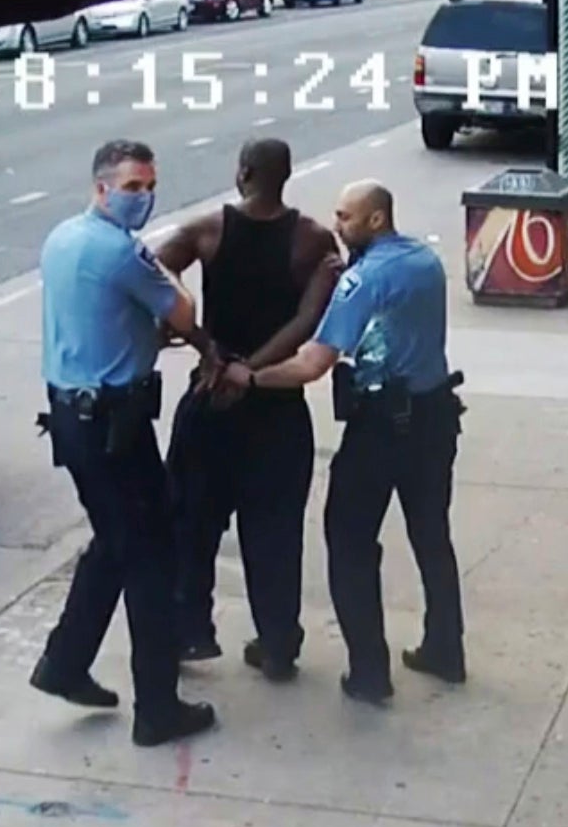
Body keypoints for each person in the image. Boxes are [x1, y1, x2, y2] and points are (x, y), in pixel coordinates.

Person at [214, 180, 464, 705]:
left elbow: (313, 362)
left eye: (345, 217)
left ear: (375, 220)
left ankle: (369, 671)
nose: (337, 226)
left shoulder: (366, 280)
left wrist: (249, 376)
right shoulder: (424, 262)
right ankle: (445, 647)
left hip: (380, 429)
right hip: (435, 419)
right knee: (431, 535)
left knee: (349, 542)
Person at [30, 139, 221, 746]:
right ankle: (158, 706)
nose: (143, 197)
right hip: (114, 428)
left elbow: (106, 315)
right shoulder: (120, 253)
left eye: (149, 186)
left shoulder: (62, 238)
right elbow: (185, 312)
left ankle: (65, 663)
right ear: (101, 188)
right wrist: (159, 275)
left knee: (117, 541)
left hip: (75, 419)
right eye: (132, 187)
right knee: (149, 558)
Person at [153, 138, 342, 682]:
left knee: (192, 522)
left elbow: (156, 277)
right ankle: (279, 643)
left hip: (210, 399)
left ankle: (191, 631)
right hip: (277, 406)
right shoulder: (311, 240)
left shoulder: (207, 231)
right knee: (275, 534)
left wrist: (208, 349)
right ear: (286, 175)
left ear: (242, 174)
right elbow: (308, 320)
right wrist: (253, 372)